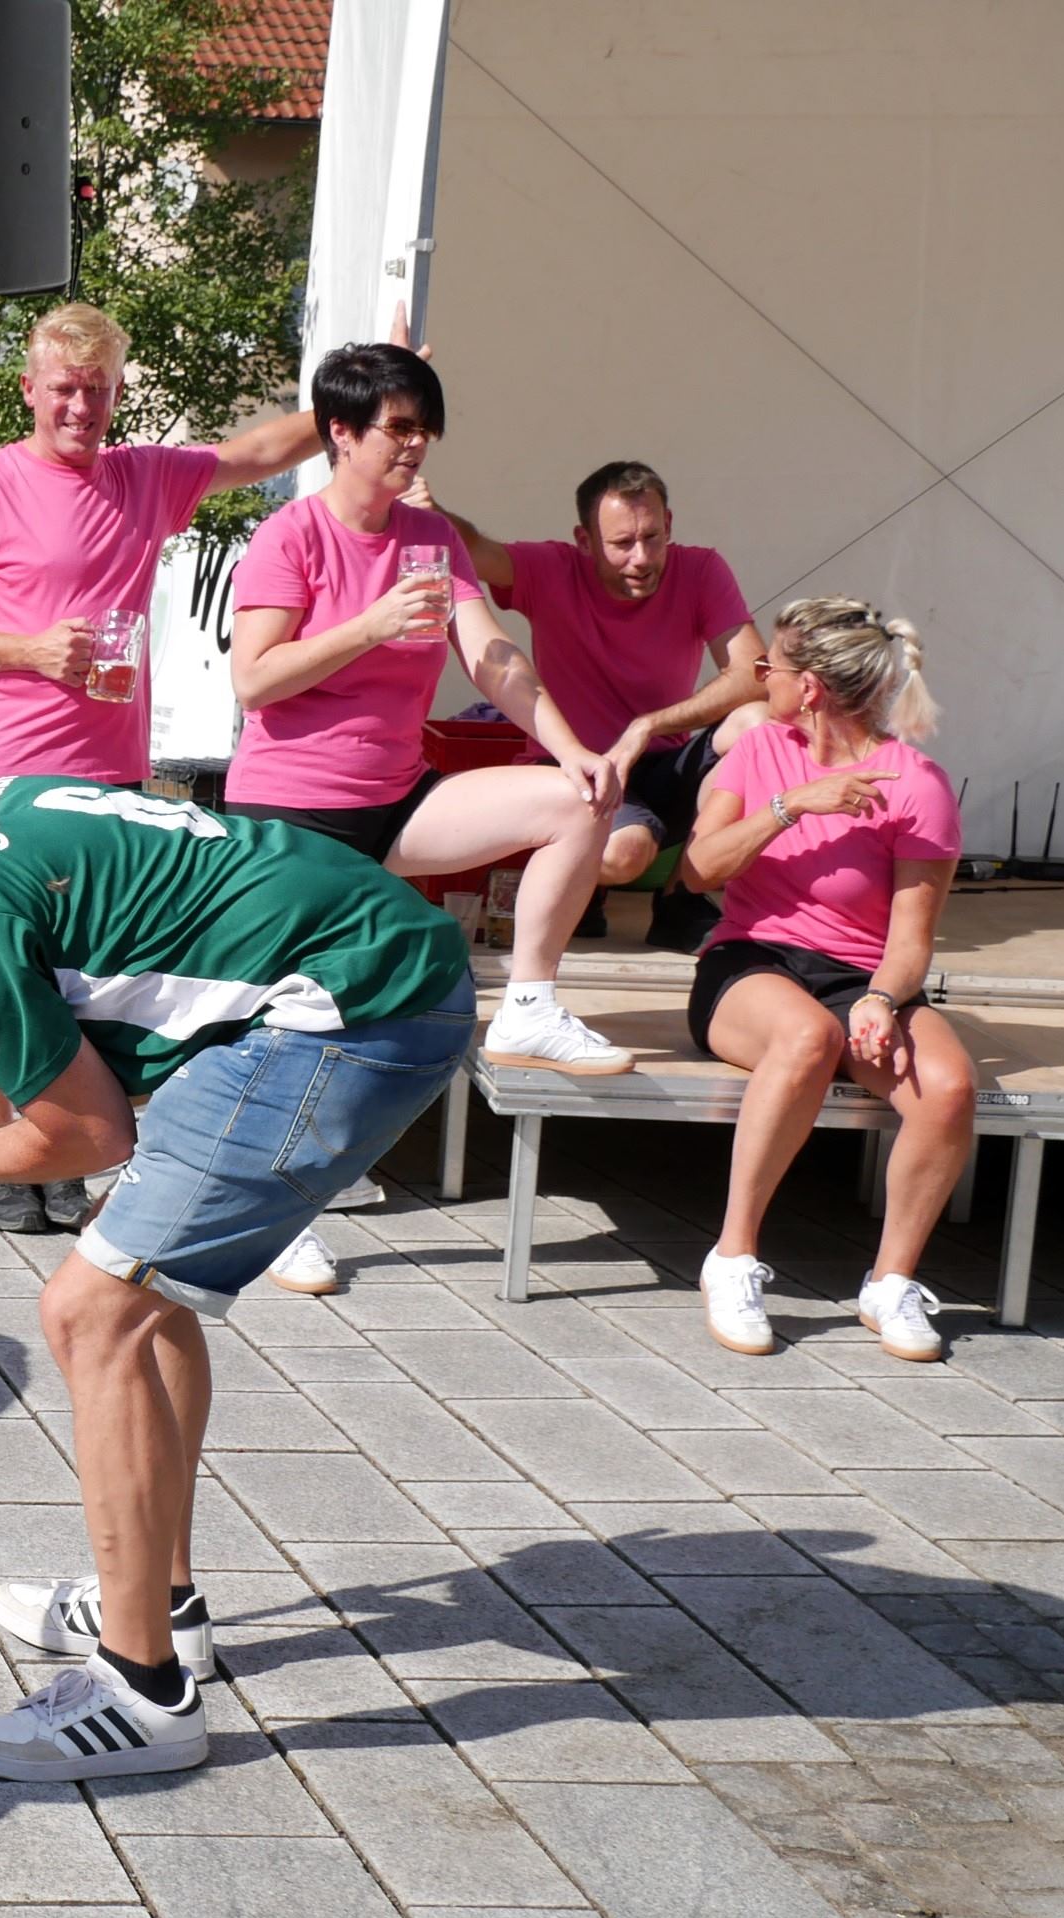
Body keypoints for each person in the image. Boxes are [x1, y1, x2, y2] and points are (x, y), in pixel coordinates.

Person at [0, 764, 472, 1779]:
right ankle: (162, 1606)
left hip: (351, 1003)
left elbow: (85, 1132)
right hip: (352, 969)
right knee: (139, 1288)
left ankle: (141, 1693)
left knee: (90, 1311)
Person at [0, 301, 392, 1236]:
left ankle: (62, 1146)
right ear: (32, 390)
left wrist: (365, 393)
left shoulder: (143, 477)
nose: (81, 410)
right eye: (65, 392)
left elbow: (257, 452)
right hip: (6, 773)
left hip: (111, 781)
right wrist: (32, 652)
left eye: (100, 393)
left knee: (92, 978)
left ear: (118, 394)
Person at [223, 341, 633, 1295]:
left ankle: (529, 1006)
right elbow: (253, 682)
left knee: (579, 801)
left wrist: (572, 746)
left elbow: (492, 656)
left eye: (426, 428)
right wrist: (367, 625)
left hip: (399, 800)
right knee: (301, 1022)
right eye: (399, 429)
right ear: (341, 434)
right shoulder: (294, 536)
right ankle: (278, 1214)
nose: (417, 447)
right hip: (294, 813)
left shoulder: (430, 537)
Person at [678, 597, 969, 1362]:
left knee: (948, 1087)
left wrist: (879, 997)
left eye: (771, 665)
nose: (760, 674)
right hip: (752, 960)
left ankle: (891, 1281)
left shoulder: (917, 784)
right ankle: (734, 1257)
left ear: (808, 687)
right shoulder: (758, 752)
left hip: (860, 975)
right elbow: (695, 869)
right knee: (805, 1037)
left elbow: (911, 941)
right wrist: (789, 807)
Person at [422, 459, 767, 949]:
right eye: (623, 543)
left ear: (669, 524)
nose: (642, 557)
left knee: (758, 724)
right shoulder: (550, 568)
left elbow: (756, 675)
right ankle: (577, 883)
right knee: (624, 854)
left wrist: (647, 726)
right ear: (585, 541)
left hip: (662, 766)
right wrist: (430, 513)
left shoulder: (702, 568)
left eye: (652, 537)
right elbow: (476, 550)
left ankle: (682, 899)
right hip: (575, 771)